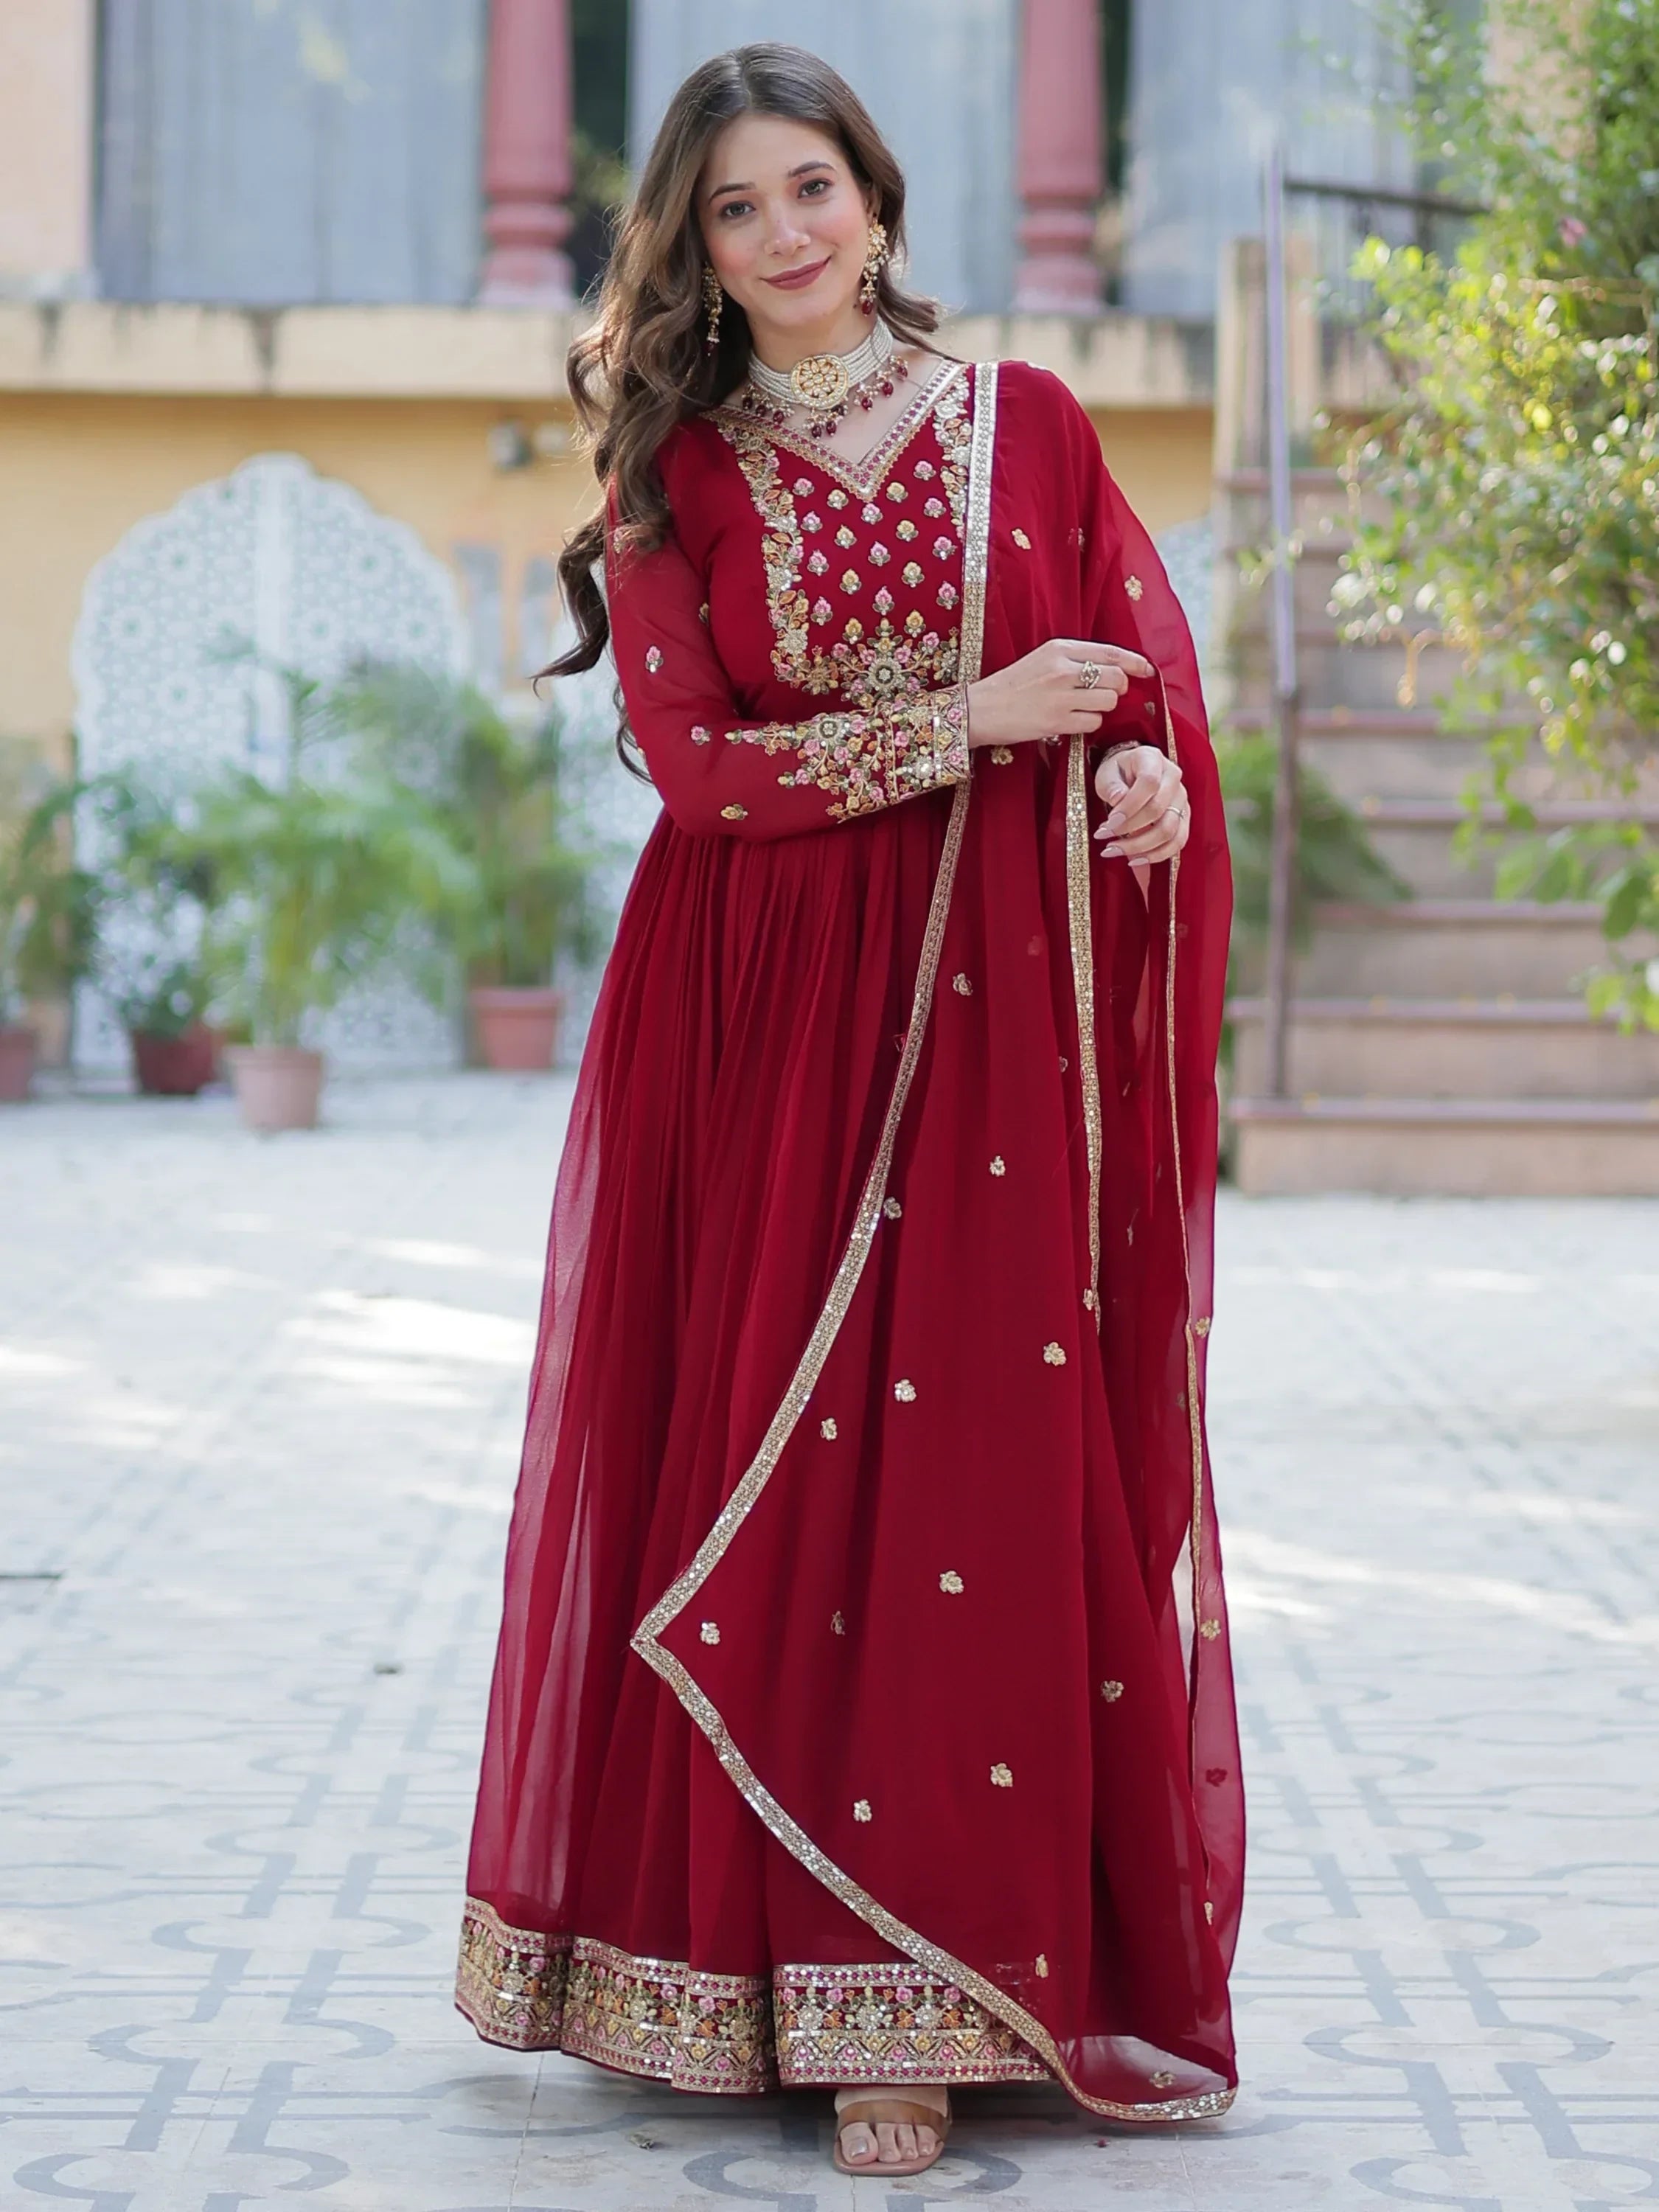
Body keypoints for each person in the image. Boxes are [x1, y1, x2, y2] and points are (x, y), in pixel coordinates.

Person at [456, 41, 1240, 2183]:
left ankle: (953, 1972)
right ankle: (766, 1975)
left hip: (998, 1029)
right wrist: (966, 721)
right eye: (736, 207)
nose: (786, 233)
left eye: (814, 188)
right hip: (768, 1027)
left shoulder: (1033, 428)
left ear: (877, 206)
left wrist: (1142, 784)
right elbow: (699, 771)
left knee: (974, 1473)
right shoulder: (669, 476)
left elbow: (1130, 681)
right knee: (770, 1473)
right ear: (695, 253)